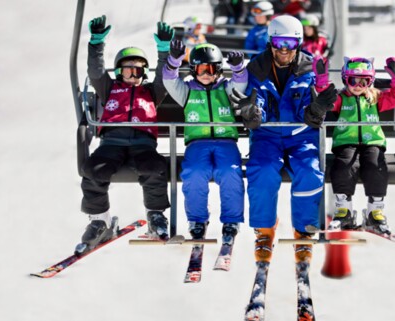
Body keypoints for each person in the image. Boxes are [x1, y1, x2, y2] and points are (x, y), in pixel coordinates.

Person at [232, 15, 337, 265]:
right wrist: (252, 113)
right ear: (271, 42)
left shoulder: (309, 69)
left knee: (310, 173)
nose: (283, 49)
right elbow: (253, 98)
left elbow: (314, 103)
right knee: (263, 171)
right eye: (279, 42)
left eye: (289, 43)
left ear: (298, 43)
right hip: (267, 136)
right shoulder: (257, 68)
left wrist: (315, 112)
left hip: (301, 137)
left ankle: (303, 230)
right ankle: (265, 230)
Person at [76, 16, 173, 255]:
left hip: (143, 143)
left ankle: (155, 215)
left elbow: (164, 77)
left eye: (139, 69)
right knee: (93, 170)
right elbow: (96, 72)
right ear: (119, 71)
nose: (133, 73)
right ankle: (99, 221)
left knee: (155, 167)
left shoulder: (151, 91)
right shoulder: (109, 89)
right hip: (112, 142)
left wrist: (164, 51)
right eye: (128, 69)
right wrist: (96, 44)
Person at [162, 40, 251, 242]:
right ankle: (197, 219)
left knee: (230, 172)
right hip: (197, 142)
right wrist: (174, 61)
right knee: (194, 173)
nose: (206, 74)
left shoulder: (225, 89)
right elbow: (169, 80)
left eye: (211, 69)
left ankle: (231, 221)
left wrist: (238, 68)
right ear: (194, 70)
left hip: (226, 142)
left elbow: (240, 83)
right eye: (202, 69)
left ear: (219, 70)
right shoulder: (186, 91)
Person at [328, 56, 395, 235]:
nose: (357, 85)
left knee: (376, 166)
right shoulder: (341, 98)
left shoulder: (375, 98)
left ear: (370, 82)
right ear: (344, 80)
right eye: (352, 80)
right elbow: (325, 100)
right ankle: (344, 210)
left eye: (364, 81)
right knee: (343, 166)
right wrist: (322, 81)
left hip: (373, 142)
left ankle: (375, 212)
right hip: (346, 142)